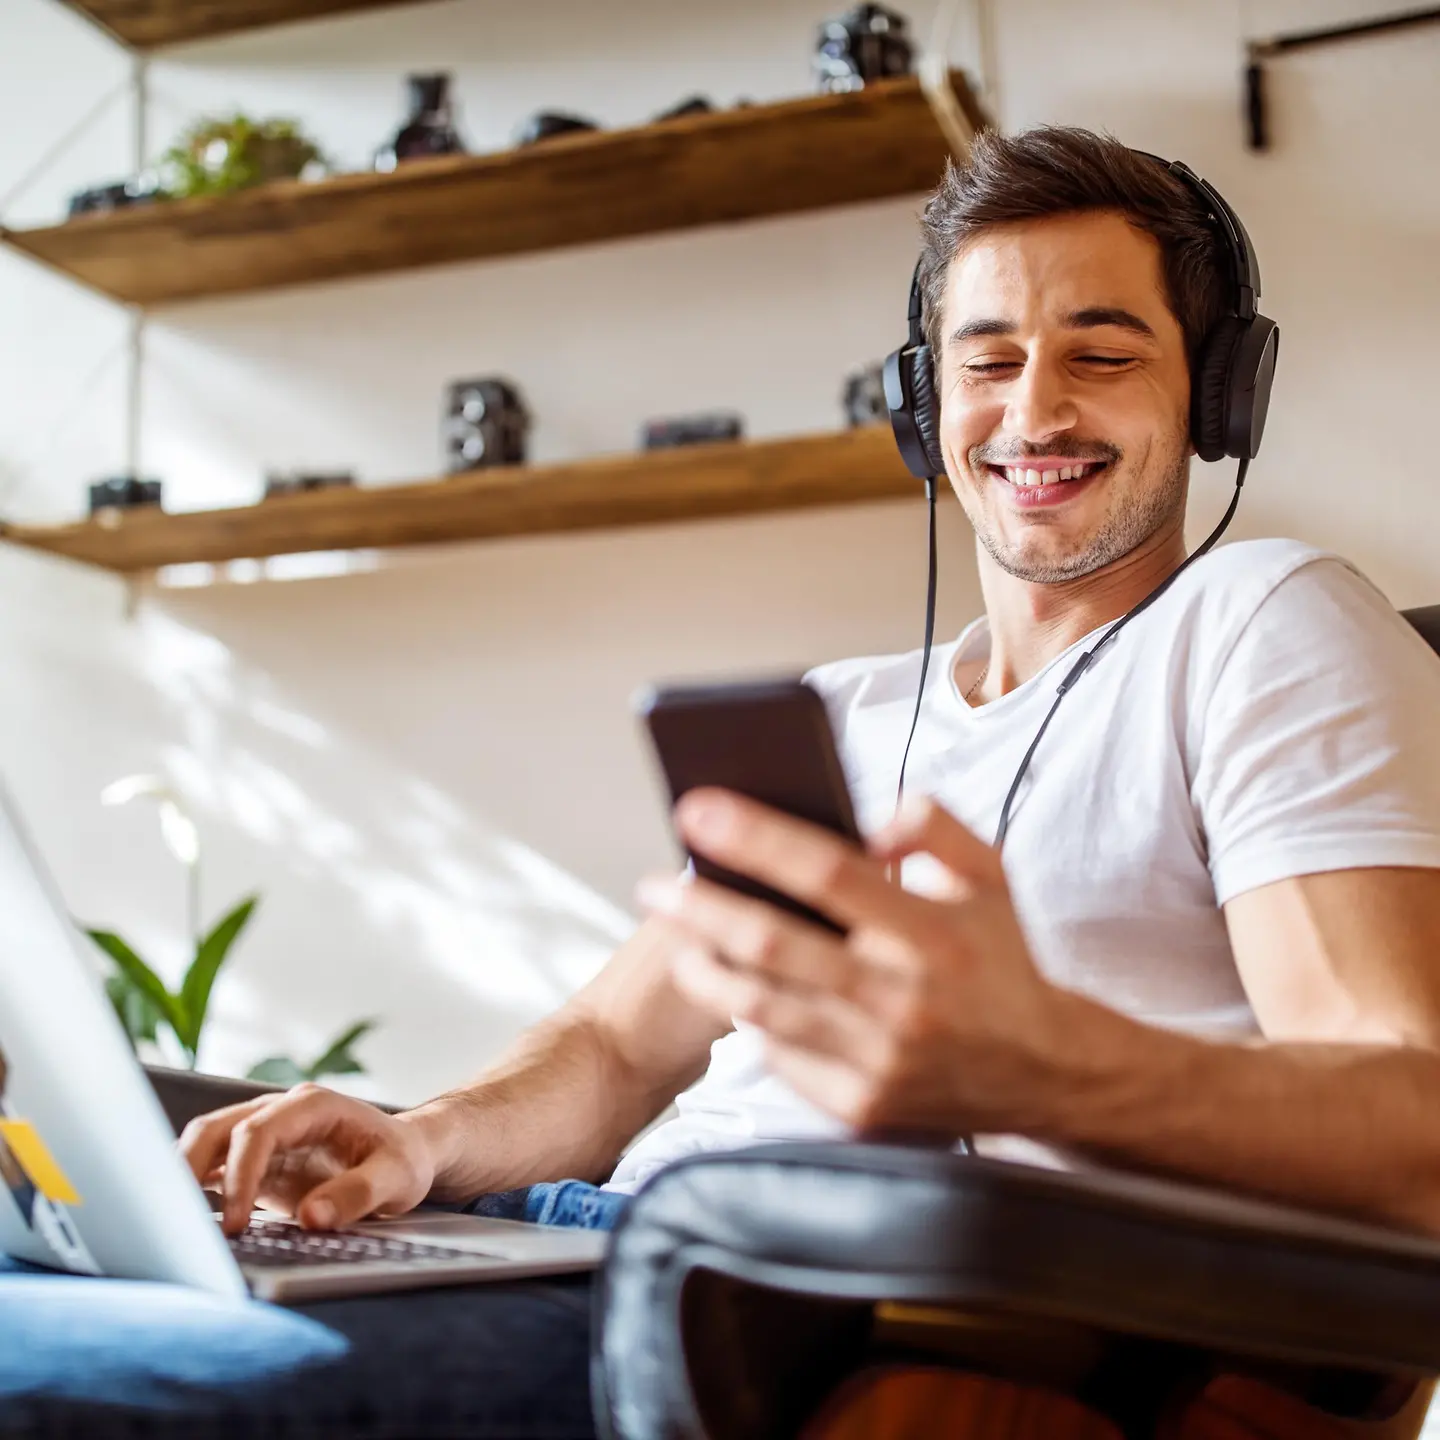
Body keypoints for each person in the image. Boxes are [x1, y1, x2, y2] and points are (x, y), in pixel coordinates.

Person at [4, 125, 1440, 1439]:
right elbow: (622, 1050)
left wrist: (1039, 1066)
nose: (1033, 409)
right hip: (597, 1238)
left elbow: (1416, 1119)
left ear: (1219, 395)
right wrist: (421, 1135)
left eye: (1105, 351)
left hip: (823, 1315)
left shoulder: (1264, 619)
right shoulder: (844, 710)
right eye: (988, 358)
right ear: (924, 402)